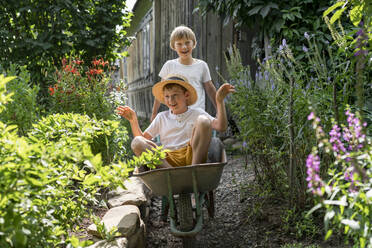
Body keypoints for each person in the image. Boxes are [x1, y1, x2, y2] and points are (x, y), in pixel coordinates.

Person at [117, 74, 234, 170]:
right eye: (167, 96)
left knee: (204, 121)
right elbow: (143, 140)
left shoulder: (197, 113)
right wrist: (133, 121)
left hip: (192, 155)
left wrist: (219, 101)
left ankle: (194, 171)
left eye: (175, 95)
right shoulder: (161, 117)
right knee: (137, 142)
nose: (171, 100)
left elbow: (221, 126)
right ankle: (171, 173)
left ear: (186, 95)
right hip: (167, 159)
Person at [150, 25, 217, 122]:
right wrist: (154, 113)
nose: (184, 47)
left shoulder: (202, 65)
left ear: (193, 43)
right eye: (179, 44)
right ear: (174, 46)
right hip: (177, 115)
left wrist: (218, 108)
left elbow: (210, 89)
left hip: (197, 114)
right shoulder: (170, 65)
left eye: (187, 42)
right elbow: (161, 90)